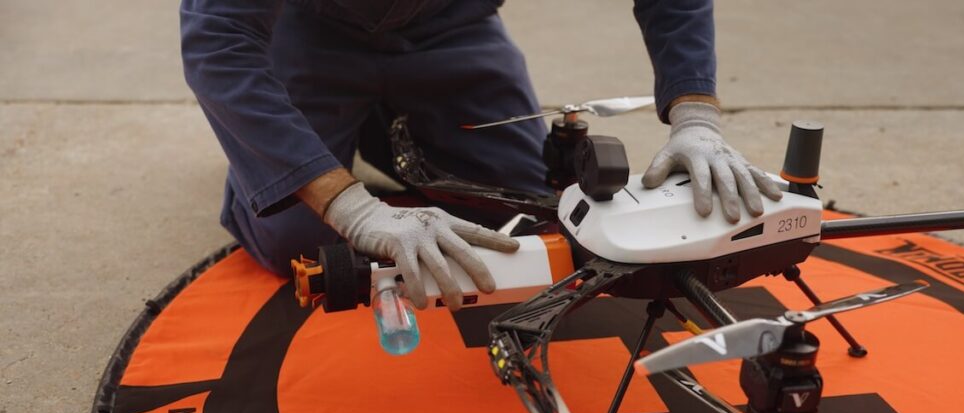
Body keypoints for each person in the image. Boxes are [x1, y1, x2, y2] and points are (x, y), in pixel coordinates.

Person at [180, 0, 781, 310]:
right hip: (307, 29)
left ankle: (373, 132)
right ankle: (306, 144)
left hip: (449, 26)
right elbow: (219, 42)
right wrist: (347, 205)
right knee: (299, 241)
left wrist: (695, 115)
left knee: (520, 211)